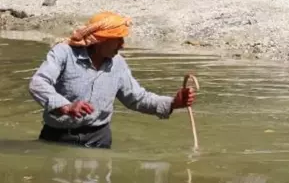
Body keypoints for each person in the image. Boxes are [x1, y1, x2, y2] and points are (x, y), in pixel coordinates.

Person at [28, 10, 196, 149]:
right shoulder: (63, 53)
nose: (122, 45)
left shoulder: (118, 63)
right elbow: (38, 83)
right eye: (118, 40)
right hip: (57, 137)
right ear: (100, 41)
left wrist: (174, 103)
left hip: (98, 139)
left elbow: (137, 98)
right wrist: (65, 106)